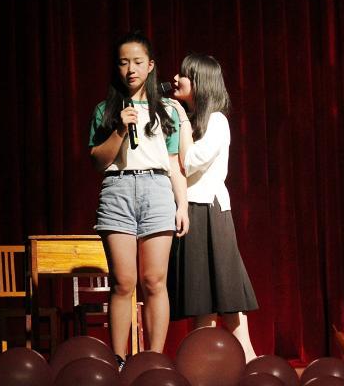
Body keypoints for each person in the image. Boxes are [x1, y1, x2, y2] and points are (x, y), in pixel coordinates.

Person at [88, 30, 189, 369]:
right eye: (123, 63)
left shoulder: (168, 110)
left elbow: (174, 164)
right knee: (123, 282)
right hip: (117, 190)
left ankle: (153, 361)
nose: (130, 69)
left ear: (150, 65)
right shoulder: (105, 110)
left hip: (157, 189)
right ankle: (117, 360)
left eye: (137, 62)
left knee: (154, 281)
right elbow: (98, 160)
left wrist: (182, 205)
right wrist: (119, 128)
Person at [167, 53, 259, 362]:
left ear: (200, 82)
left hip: (209, 210)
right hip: (190, 209)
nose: (176, 79)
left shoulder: (217, 121)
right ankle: (205, 364)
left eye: (183, 74)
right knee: (202, 298)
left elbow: (190, 162)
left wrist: (181, 121)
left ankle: (247, 359)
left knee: (226, 291)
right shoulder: (189, 120)